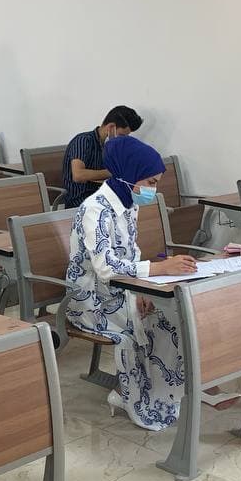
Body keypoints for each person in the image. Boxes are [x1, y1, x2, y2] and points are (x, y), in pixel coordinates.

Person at [66, 136, 196, 431]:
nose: (154, 189)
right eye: (150, 182)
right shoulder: (95, 209)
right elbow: (105, 267)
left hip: (120, 289)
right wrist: (158, 269)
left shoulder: (128, 204)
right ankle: (131, 396)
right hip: (91, 299)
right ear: (129, 174)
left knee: (168, 316)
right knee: (138, 328)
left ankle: (162, 394)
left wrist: (141, 289)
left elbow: (131, 253)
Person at [61, 105, 143, 209]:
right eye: (122, 135)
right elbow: (78, 175)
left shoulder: (111, 147)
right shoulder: (83, 141)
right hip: (80, 202)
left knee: (139, 202)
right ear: (111, 127)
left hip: (102, 197)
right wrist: (113, 172)